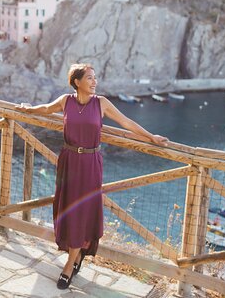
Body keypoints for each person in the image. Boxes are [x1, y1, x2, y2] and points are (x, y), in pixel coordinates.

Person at [15, 63, 168, 290]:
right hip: (68, 161)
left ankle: (69, 265)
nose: (94, 82)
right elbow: (46, 109)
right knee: (67, 208)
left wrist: (150, 137)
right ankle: (76, 255)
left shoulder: (101, 103)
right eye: (89, 78)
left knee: (82, 211)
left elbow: (126, 122)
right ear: (77, 82)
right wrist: (28, 109)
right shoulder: (66, 101)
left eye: (95, 78)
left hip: (90, 163)